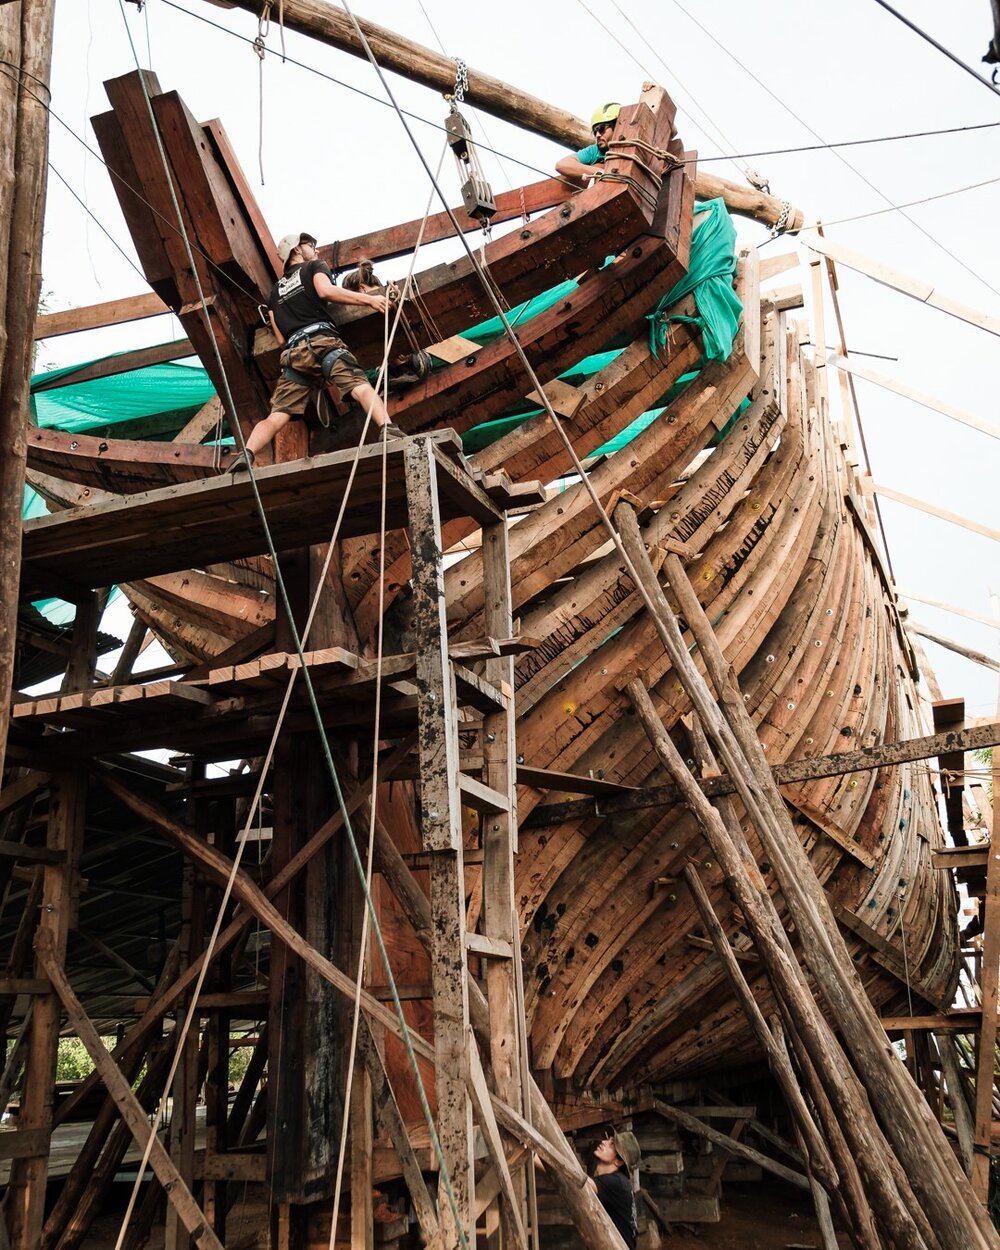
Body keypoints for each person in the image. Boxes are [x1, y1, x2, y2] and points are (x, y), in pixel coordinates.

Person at [227, 230, 401, 473]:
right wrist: (370, 300)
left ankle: (247, 453)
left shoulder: (274, 294)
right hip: (323, 341)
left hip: (294, 354)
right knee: (359, 385)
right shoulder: (313, 267)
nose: (316, 250)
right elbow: (325, 291)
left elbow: (279, 339)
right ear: (297, 250)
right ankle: (388, 429)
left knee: (278, 415)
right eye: (311, 245)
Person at [588, 1128, 639, 1249]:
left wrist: (537, 1154)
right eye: (608, 1139)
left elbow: (574, 1180)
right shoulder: (615, 1181)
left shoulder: (617, 1183)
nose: (604, 1142)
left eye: (612, 1145)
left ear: (619, 1161)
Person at [555, 102, 621, 185]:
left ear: (617, 127)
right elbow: (562, 165)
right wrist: (601, 172)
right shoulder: (595, 150)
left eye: (601, 129)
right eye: (595, 132)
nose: (597, 135)